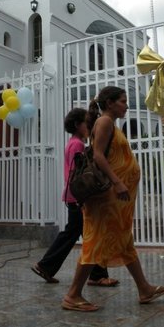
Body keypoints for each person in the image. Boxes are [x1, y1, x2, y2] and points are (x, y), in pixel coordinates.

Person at [61, 86, 164, 312]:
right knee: (95, 240)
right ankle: (73, 295)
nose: (127, 105)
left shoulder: (109, 123)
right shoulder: (105, 122)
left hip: (117, 199)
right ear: (110, 103)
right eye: (122, 101)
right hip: (107, 196)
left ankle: (144, 289)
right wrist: (118, 182)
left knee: (124, 240)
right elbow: (99, 155)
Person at [31, 108, 118, 287]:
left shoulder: (74, 143)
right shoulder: (77, 145)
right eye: (87, 123)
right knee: (86, 233)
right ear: (78, 125)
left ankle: (49, 266)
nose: (90, 126)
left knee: (81, 233)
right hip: (79, 196)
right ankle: (49, 266)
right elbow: (79, 173)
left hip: (73, 196)